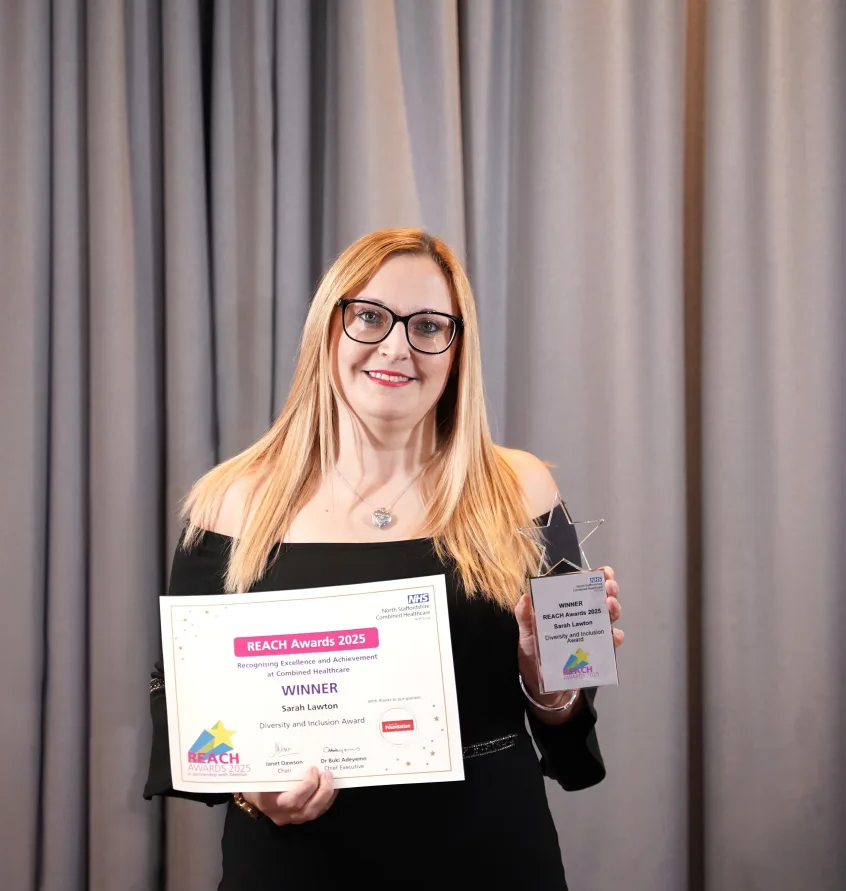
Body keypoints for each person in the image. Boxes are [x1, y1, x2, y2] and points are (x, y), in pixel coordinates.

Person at [144, 228, 624, 890]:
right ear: (327, 329)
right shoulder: (228, 501)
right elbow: (180, 700)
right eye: (369, 316)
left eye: (428, 326)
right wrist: (253, 789)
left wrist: (553, 688)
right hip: (296, 868)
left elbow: (575, 701)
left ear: (457, 350)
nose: (396, 346)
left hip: (492, 859)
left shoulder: (526, 489)